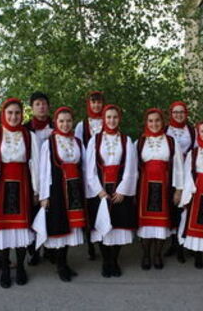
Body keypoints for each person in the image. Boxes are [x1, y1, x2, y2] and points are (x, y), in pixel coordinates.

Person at [0, 98, 39, 288]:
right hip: (1, 188)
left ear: (22, 114)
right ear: (4, 114)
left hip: (23, 187)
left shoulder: (29, 136)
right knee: (2, 230)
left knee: (21, 229)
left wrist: (37, 190)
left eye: (17, 113)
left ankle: (20, 267)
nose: (13, 116)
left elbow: (34, 165)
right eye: (10, 112)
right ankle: (4, 269)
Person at [36, 107, 86, 282]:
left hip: (74, 189)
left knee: (71, 227)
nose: (65, 124)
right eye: (61, 121)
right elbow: (44, 171)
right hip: (57, 189)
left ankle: (64, 262)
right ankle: (60, 265)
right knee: (59, 226)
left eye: (68, 121)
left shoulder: (78, 141)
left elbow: (84, 167)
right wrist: (44, 196)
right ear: (56, 122)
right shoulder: (49, 143)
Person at [86, 104, 137, 277]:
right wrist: (99, 191)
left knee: (118, 226)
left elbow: (131, 168)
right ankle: (106, 261)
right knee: (102, 226)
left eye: (115, 117)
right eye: (108, 117)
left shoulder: (126, 140)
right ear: (103, 119)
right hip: (101, 190)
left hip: (119, 190)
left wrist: (123, 190)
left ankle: (114, 260)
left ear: (119, 118)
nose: (112, 120)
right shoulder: (95, 140)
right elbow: (90, 169)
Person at [137, 108, 184, 270]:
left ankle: (157, 255)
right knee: (146, 223)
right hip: (145, 187)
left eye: (157, 120)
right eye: (150, 121)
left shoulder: (171, 141)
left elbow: (179, 167)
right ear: (146, 122)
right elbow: (134, 167)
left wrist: (179, 189)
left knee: (161, 222)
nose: (154, 124)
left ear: (162, 122)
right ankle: (145, 255)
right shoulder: (140, 141)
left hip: (164, 185)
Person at [178, 120, 203, 269]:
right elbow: (188, 173)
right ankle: (197, 254)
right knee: (194, 221)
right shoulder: (193, 153)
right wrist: (189, 192)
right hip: (197, 189)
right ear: (198, 133)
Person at [75, 90, 105, 260]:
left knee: (103, 205)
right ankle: (90, 244)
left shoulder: (108, 120)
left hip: (105, 172)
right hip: (88, 171)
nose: (96, 105)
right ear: (88, 104)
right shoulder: (82, 125)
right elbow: (79, 148)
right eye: (93, 102)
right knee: (90, 207)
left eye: (99, 102)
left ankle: (103, 240)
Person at [25, 91, 53, 266]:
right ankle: (33, 251)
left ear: (48, 106)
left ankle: (50, 249)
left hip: (52, 177)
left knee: (51, 213)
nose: (41, 107)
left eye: (44, 103)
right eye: (37, 104)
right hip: (31, 177)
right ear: (32, 108)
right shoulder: (25, 128)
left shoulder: (58, 125)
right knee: (31, 213)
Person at [164, 101, 195, 262]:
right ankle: (174, 242)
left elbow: (197, 150)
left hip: (188, 173)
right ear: (171, 113)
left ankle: (186, 241)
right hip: (170, 174)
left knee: (186, 207)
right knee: (173, 207)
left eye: (181, 112)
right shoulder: (164, 129)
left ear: (186, 113)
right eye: (175, 112)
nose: (178, 115)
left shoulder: (192, 130)